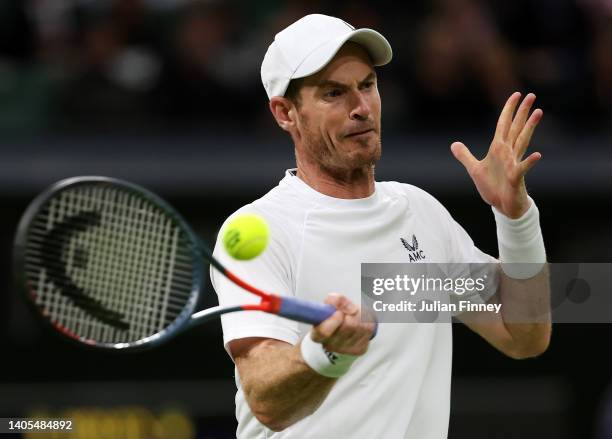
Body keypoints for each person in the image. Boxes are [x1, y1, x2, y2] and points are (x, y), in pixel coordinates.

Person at [211, 13, 551, 439]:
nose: (361, 107)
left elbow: (524, 336)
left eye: (367, 85)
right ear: (285, 114)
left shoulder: (420, 213)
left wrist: (516, 219)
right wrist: (327, 353)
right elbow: (265, 400)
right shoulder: (258, 230)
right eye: (334, 93)